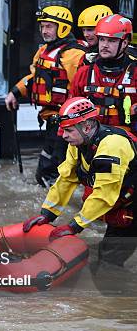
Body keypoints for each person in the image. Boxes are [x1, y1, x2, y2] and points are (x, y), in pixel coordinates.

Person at [23, 97, 137, 272]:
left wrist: (73, 226)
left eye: (68, 130)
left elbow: (104, 195)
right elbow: (67, 179)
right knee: (107, 257)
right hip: (126, 204)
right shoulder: (78, 143)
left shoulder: (112, 145)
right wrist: (48, 214)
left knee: (108, 264)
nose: (63, 135)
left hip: (130, 204)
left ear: (87, 126)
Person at [5, 6, 85, 188]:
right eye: (42, 26)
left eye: (49, 26)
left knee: (49, 172)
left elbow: (81, 89)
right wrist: (15, 92)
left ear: (63, 28)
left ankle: (53, 209)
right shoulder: (43, 52)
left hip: (67, 123)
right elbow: (35, 78)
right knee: (50, 171)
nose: (44, 31)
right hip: (51, 119)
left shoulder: (75, 55)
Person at [71, 14, 137, 134]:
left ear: (125, 43)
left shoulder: (135, 73)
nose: (105, 45)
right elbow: (70, 111)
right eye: (102, 39)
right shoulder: (84, 72)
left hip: (127, 143)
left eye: (111, 40)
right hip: (92, 142)